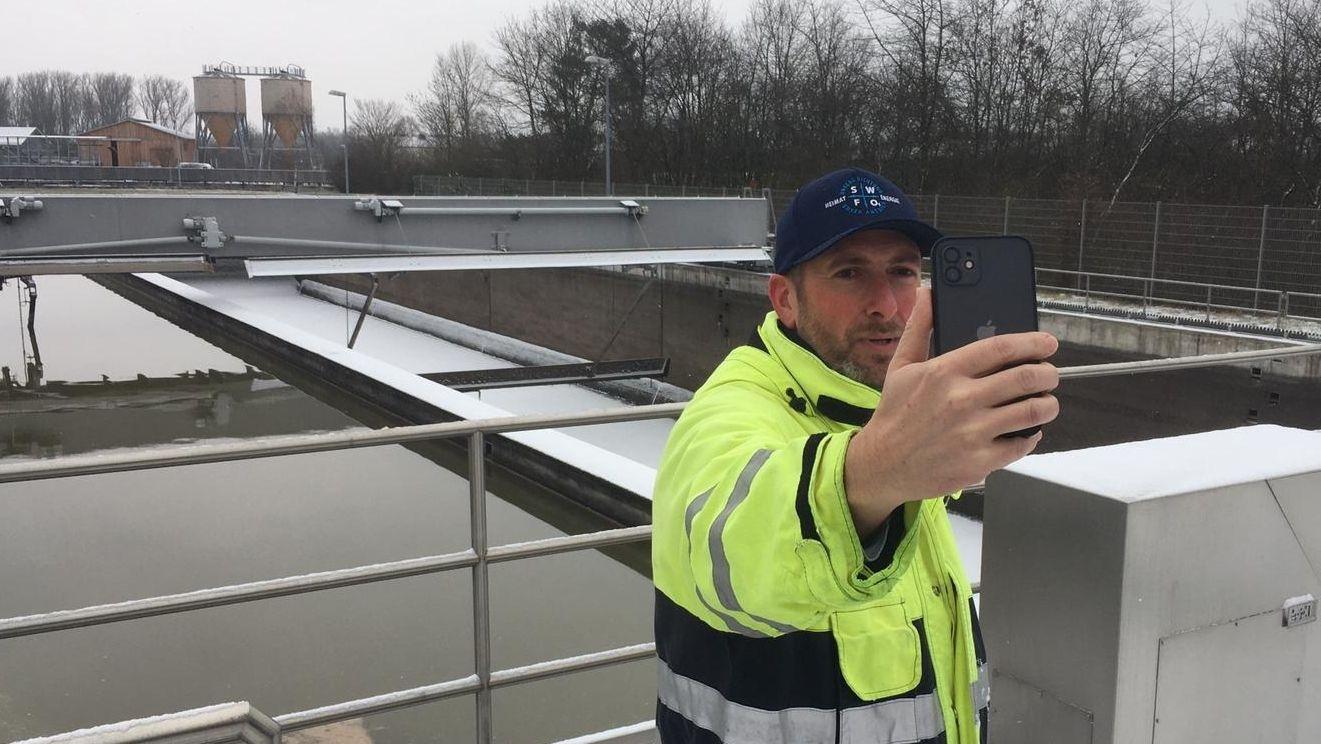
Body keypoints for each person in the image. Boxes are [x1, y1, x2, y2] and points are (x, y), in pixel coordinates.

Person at [651, 167, 1061, 744]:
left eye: (901, 272)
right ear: (785, 300)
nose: (887, 306)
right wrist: (871, 473)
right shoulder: (731, 408)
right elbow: (734, 545)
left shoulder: (887, 407)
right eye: (850, 273)